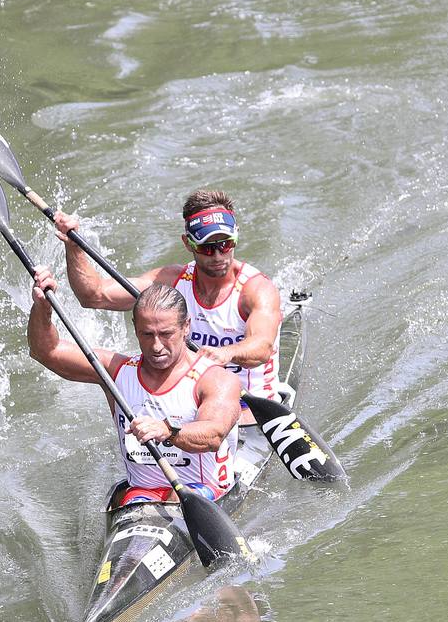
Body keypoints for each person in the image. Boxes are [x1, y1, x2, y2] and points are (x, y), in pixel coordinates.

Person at [52, 190, 285, 410]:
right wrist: (74, 247)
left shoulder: (256, 290)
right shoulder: (171, 281)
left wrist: (226, 353)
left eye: (225, 244)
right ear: (188, 243)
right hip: (192, 406)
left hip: (250, 410)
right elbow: (94, 296)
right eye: (206, 247)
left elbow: (262, 347)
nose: (218, 255)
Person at [27, 270, 243, 506]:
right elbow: (46, 352)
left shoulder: (215, 379)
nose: (157, 346)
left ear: (186, 327)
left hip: (205, 494)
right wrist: (42, 309)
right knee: (133, 498)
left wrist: (167, 431)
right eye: (147, 334)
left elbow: (213, 435)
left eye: (166, 334)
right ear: (135, 328)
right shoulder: (116, 371)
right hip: (143, 495)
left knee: (174, 497)